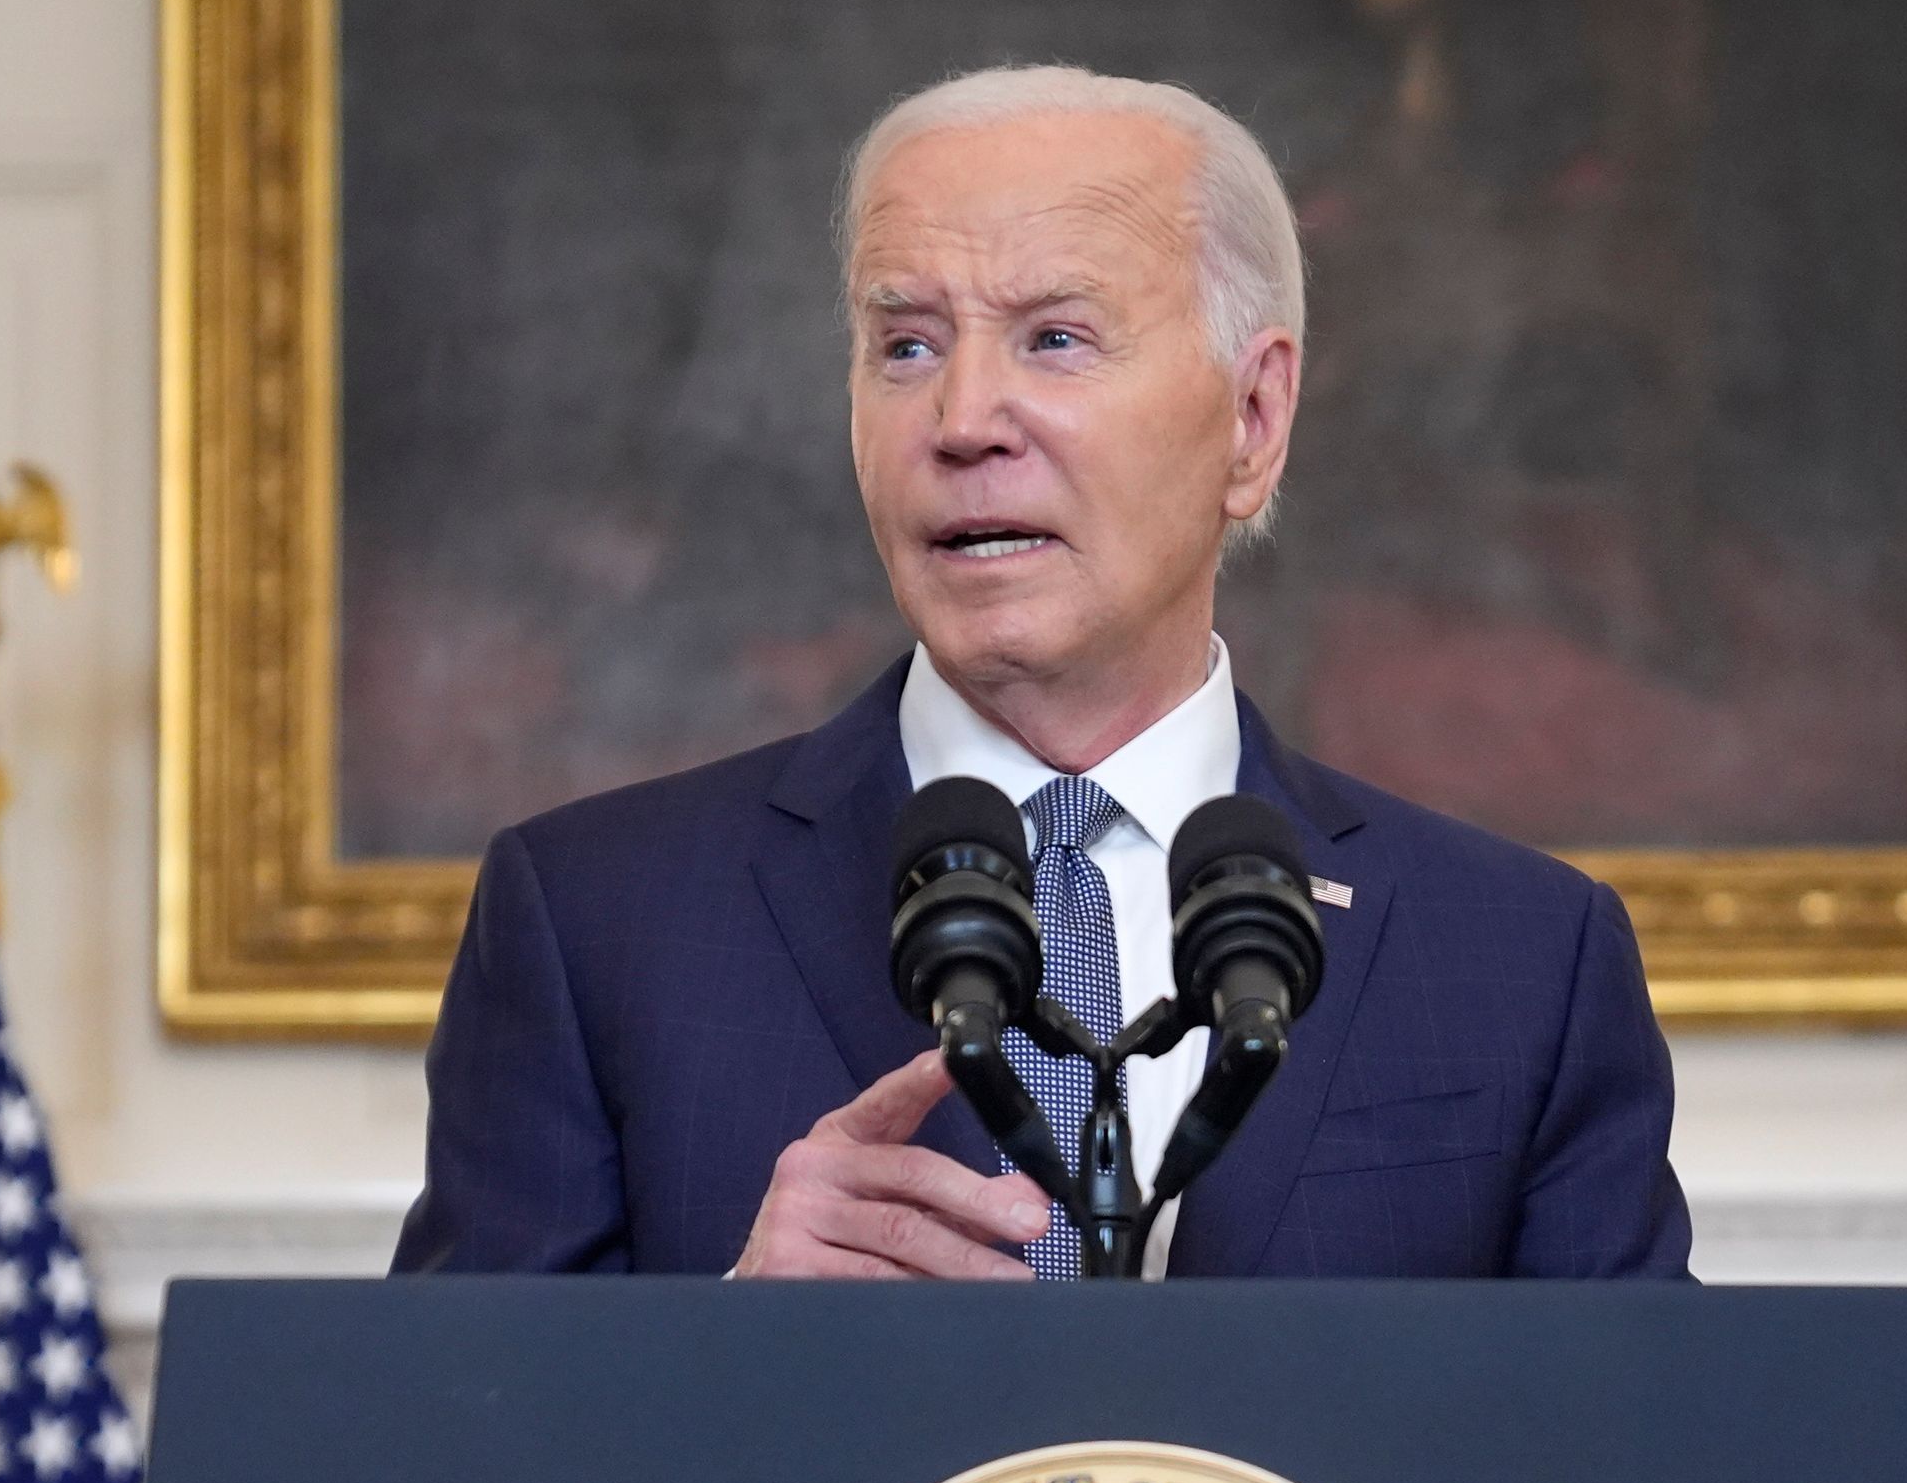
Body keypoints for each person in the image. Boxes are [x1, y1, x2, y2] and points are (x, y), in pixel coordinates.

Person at [392, 64, 1690, 1282]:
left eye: (1055, 339)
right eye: (905, 346)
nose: (959, 422)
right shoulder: (593, 923)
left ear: (1253, 419)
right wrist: (726, 1338)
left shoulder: (1523, 960)